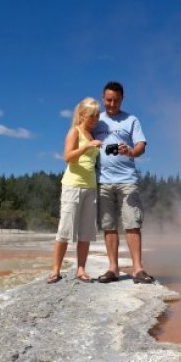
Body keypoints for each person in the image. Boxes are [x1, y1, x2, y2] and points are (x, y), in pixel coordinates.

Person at [94, 81, 155, 284]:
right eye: (109, 100)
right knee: (109, 225)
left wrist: (130, 151)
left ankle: (138, 269)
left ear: (122, 99)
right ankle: (113, 268)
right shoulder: (96, 120)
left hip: (127, 180)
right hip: (102, 180)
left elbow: (141, 146)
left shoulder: (131, 120)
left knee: (132, 224)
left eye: (116, 101)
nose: (112, 104)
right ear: (103, 98)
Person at [47, 97, 103, 284]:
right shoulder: (75, 132)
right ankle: (55, 270)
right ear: (82, 115)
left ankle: (81, 269)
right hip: (72, 185)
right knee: (64, 229)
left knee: (86, 231)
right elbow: (68, 157)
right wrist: (87, 146)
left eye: (97, 115)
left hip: (90, 187)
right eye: (92, 116)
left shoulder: (93, 135)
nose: (95, 119)